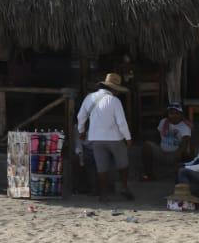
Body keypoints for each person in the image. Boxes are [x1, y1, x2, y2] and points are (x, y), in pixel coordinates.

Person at [76, 73, 133, 201]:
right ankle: (124, 187)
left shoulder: (89, 97)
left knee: (101, 167)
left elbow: (81, 116)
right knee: (123, 163)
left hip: (96, 138)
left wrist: (81, 131)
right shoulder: (115, 101)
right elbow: (121, 122)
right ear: (114, 89)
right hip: (115, 138)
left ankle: (103, 194)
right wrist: (128, 138)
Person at [141, 104, 192, 181]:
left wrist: (177, 154)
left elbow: (184, 144)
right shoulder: (163, 122)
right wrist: (159, 147)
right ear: (168, 114)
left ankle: (179, 174)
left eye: (176, 113)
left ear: (181, 115)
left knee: (184, 153)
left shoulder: (185, 126)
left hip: (174, 154)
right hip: (162, 152)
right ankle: (149, 174)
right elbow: (157, 136)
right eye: (171, 113)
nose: (174, 116)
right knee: (146, 146)